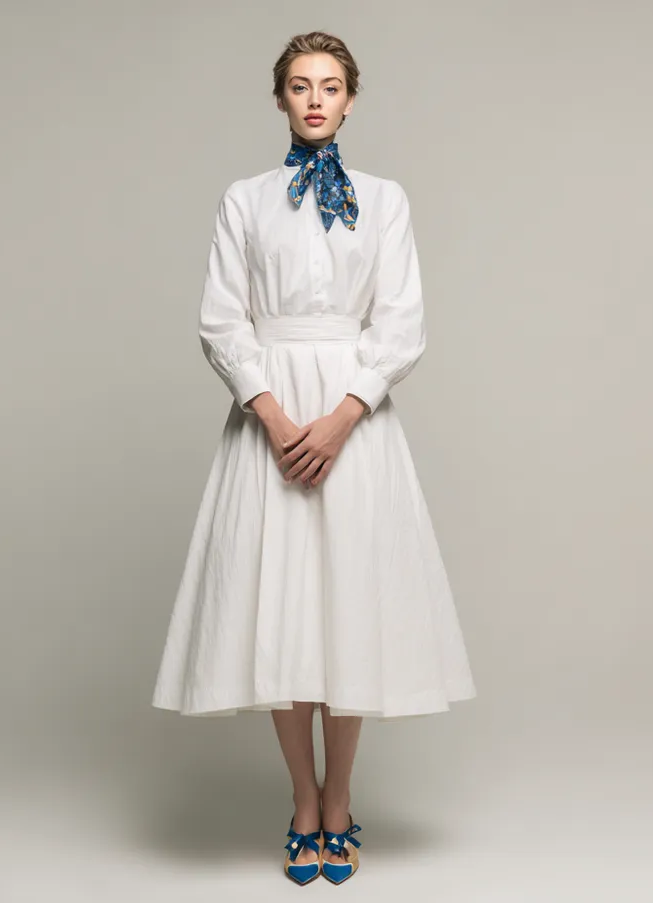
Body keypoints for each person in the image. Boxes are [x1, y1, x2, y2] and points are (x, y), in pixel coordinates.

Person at [150, 30, 477, 886]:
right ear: (281, 99)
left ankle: (342, 798)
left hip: (354, 419)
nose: (316, 99)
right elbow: (221, 318)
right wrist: (269, 412)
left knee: (347, 604)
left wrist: (340, 418)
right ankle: (304, 798)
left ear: (352, 99)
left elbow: (402, 322)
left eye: (331, 85)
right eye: (300, 85)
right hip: (268, 417)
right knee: (284, 605)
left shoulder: (386, 197)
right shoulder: (244, 199)